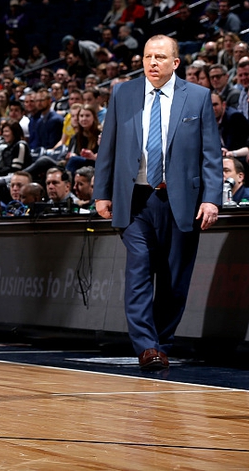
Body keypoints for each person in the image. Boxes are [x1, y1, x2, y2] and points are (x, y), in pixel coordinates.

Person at [94, 35, 222, 371]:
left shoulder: (198, 96)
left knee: (174, 281)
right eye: (148, 56)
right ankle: (147, 347)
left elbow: (210, 154)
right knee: (138, 270)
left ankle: (161, 345)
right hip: (135, 199)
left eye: (160, 57)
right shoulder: (123, 93)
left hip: (182, 200)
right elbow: (108, 146)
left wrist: (211, 199)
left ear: (175, 63)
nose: (152, 62)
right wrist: (101, 192)